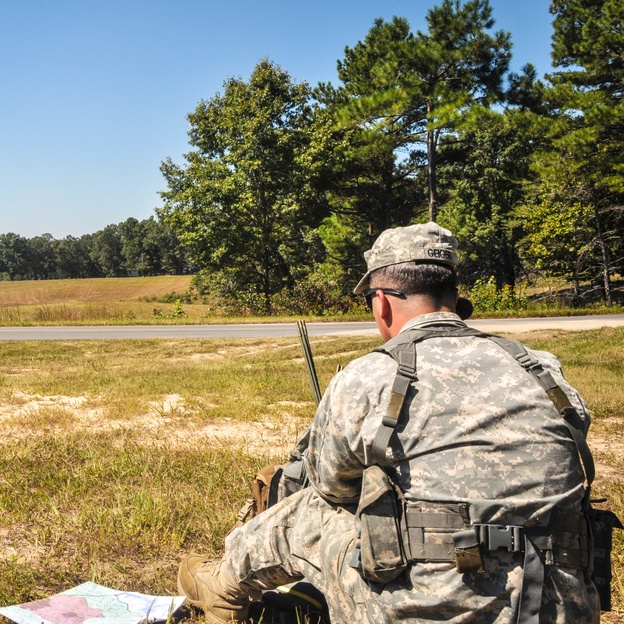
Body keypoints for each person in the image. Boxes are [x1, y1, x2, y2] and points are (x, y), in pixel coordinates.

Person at [178, 222, 600, 623]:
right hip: (560, 607)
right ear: (454, 295)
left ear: (381, 302)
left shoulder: (371, 376)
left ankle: (223, 587)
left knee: (313, 511)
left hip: (425, 610)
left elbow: (331, 487)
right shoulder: (540, 369)